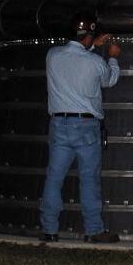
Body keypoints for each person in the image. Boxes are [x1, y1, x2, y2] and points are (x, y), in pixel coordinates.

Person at [38, 13, 121, 242]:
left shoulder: (52, 56)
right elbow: (109, 80)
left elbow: (75, 59)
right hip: (86, 125)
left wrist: (91, 46)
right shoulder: (95, 62)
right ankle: (93, 230)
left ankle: (49, 229)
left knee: (54, 178)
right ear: (88, 38)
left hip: (58, 123)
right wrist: (113, 57)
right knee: (89, 179)